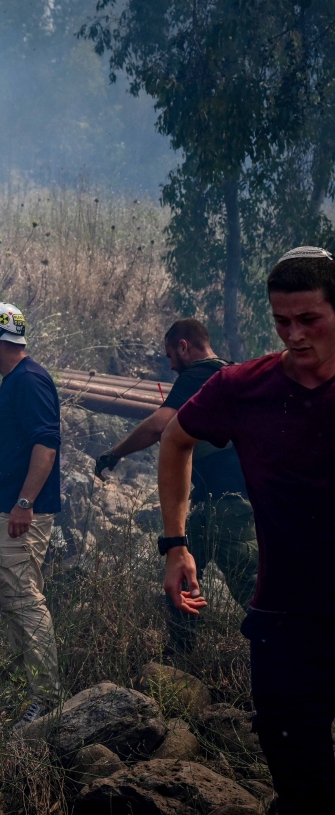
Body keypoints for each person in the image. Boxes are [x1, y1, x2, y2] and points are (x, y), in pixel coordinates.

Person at [158, 247, 335, 813]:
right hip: (284, 621)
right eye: (283, 322)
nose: (295, 336)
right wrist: (175, 542)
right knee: (301, 788)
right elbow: (174, 439)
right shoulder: (244, 386)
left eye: (310, 320)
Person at [95, 319, 257, 653]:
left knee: (253, 590)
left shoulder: (199, 375)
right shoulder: (230, 373)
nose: (170, 365)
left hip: (231, 507)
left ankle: (297, 658)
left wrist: (114, 454)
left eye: (171, 355)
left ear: (184, 347)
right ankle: (182, 655)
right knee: (180, 575)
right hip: (212, 504)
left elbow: (158, 426)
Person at [0, 302, 62, 727]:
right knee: (10, 598)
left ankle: (48, 699)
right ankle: (35, 690)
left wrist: (24, 503)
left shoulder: (30, 380)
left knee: (24, 599)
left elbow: (46, 444)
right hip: (4, 510)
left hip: (18, 512)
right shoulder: (13, 381)